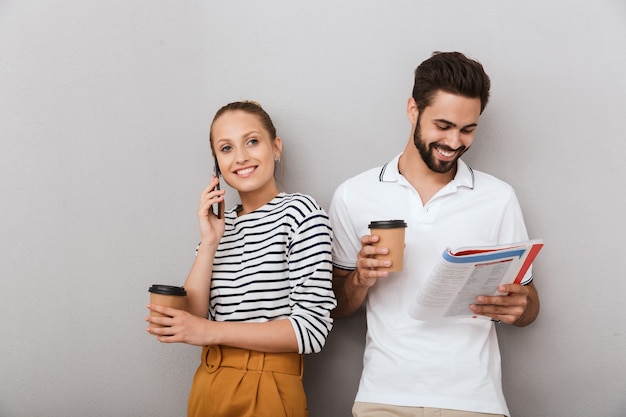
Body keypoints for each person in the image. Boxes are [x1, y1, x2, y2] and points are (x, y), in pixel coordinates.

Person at [329, 51, 540, 417]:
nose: (454, 141)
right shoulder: (355, 194)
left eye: (468, 129)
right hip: (385, 397)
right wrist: (360, 280)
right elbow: (336, 305)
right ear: (413, 110)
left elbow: (529, 304)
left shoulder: (498, 197)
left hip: (474, 399)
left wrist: (521, 308)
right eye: (442, 125)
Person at [146, 100, 336, 417]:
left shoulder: (301, 214)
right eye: (226, 148)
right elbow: (193, 318)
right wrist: (209, 242)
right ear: (217, 165)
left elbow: (311, 330)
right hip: (208, 384)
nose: (241, 157)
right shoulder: (221, 228)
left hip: (268, 387)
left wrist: (211, 332)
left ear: (276, 147)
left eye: (252, 141)